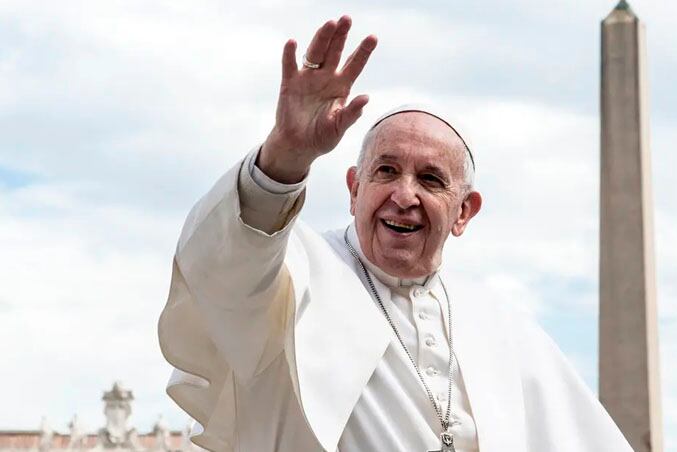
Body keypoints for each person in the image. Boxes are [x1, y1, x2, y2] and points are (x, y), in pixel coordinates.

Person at [158, 15, 633, 452]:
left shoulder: (502, 328)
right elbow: (220, 265)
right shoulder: (294, 272)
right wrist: (284, 156)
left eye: (430, 180)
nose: (404, 196)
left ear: (464, 211)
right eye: (386, 171)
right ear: (353, 188)